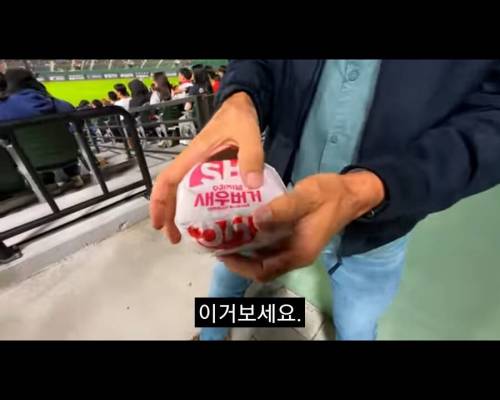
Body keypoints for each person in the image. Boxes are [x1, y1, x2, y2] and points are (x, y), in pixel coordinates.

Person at [150, 60, 500, 341]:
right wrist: (240, 96)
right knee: (226, 282)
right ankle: (212, 335)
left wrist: (370, 189)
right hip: (271, 195)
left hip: (380, 223)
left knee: (357, 325)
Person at [0, 68, 83, 187]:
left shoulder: (3, 107)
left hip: (35, 162)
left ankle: (48, 184)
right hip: (70, 155)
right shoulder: (49, 99)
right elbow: (76, 117)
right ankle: (74, 175)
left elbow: (4, 137)